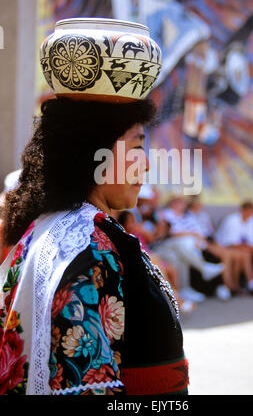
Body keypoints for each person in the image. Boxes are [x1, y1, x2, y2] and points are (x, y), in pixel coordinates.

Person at [0, 96, 189, 395]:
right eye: (137, 147)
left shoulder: (55, 228)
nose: (147, 163)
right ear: (94, 153)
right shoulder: (90, 249)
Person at [151, 195, 224, 303]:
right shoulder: (166, 214)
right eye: (177, 202)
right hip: (165, 245)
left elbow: (200, 233)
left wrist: (197, 239)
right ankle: (204, 268)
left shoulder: (187, 216)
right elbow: (173, 233)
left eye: (182, 202)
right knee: (183, 243)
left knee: (179, 256)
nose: (180, 205)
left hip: (184, 247)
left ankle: (184, 289)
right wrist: (192, 235)